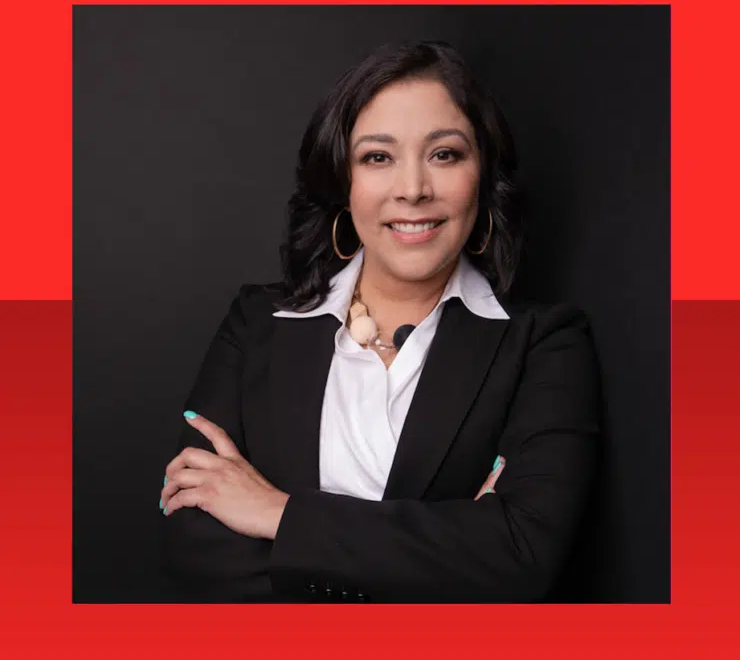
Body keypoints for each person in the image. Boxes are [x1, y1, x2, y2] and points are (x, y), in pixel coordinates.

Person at [159, 40, 601, 603]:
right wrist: (446, 547)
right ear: (342, 181)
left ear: (483, 176)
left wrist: (277, 513)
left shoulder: (544, 344)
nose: (413, 188)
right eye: (378, 157)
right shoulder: (257, 323)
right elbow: (193, 545)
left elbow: (522, 559)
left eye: (444, 154)